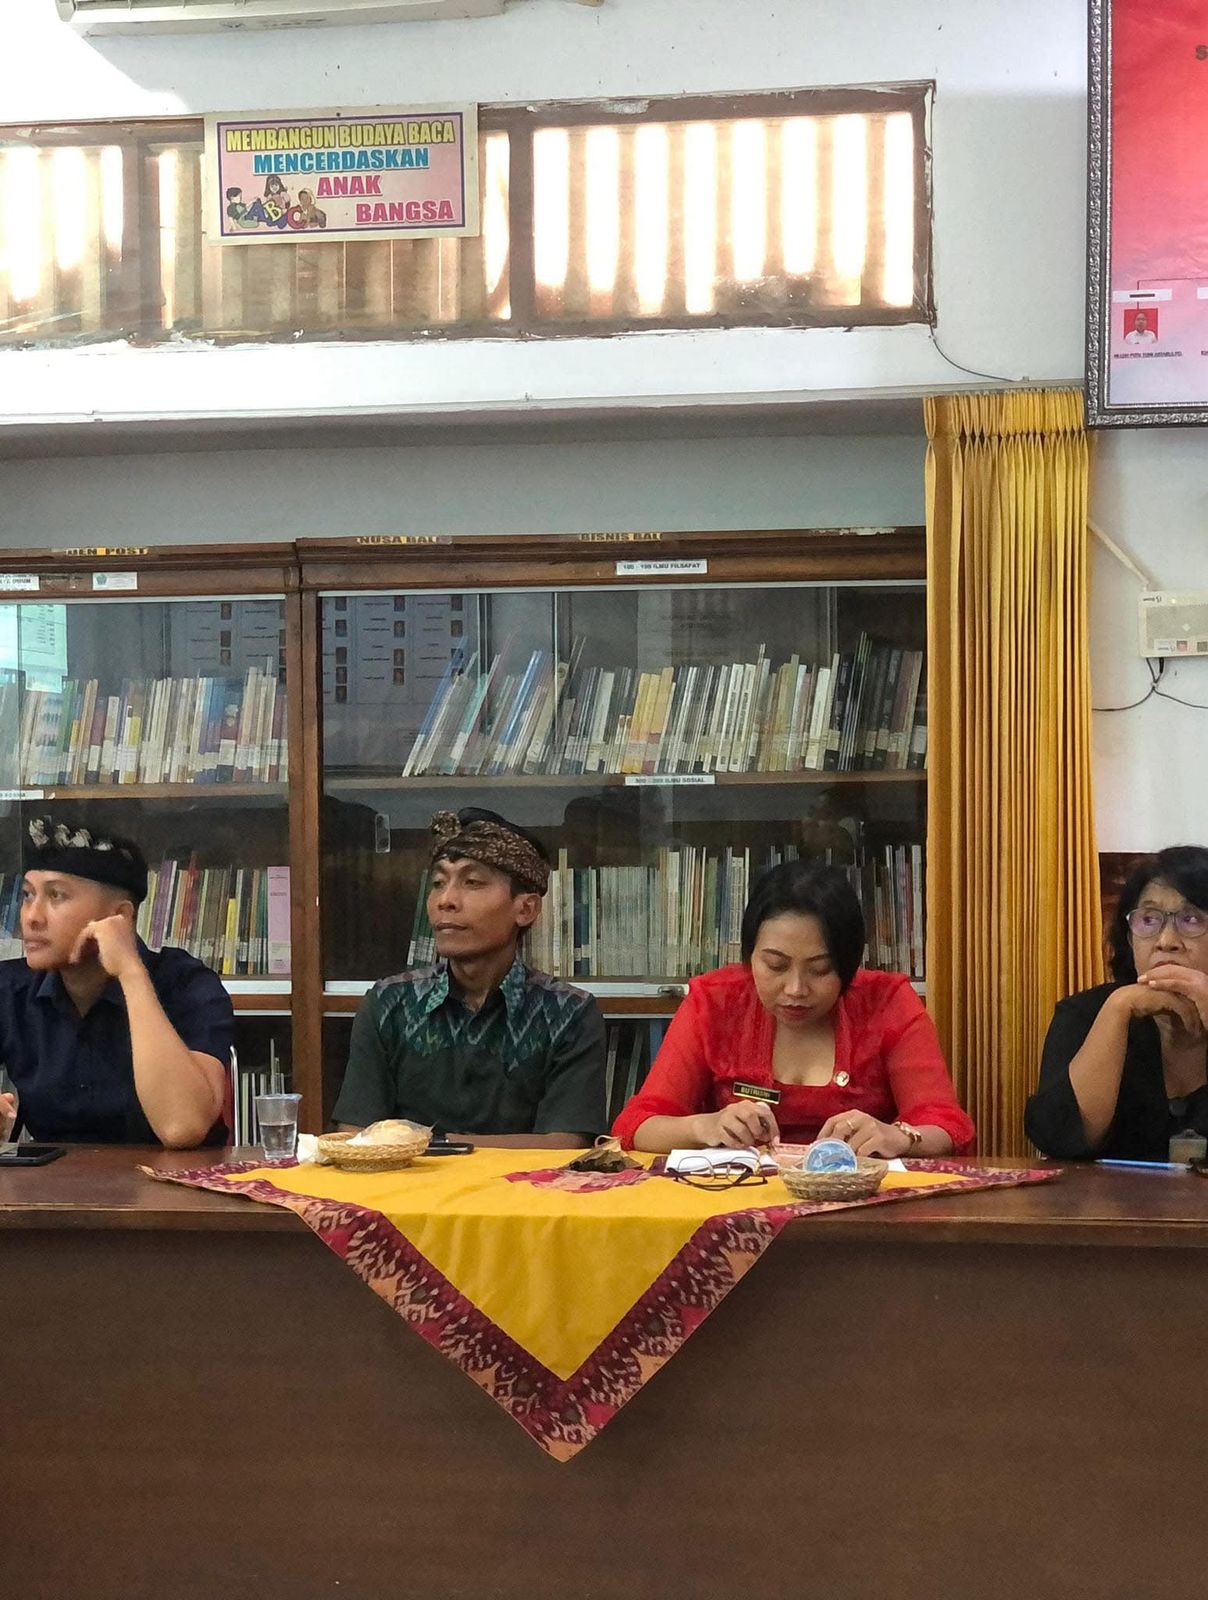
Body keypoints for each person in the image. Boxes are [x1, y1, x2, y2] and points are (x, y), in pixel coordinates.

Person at [612, 859, 974, 1156]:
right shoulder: (716, 1001)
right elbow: (636, 1126)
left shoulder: (886, 1001)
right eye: (775, 965)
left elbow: (947, 1126)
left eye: (820, 970)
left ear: (848, 965)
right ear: (749, 955)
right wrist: (704, 1126)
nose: (796, 989)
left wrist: (900, 1137)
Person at [333, 808, 606, 1147]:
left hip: (522, 1183)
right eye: (438, 883)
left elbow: (563, 1145)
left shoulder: (569, 1012)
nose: (446, 901)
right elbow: (356, 1138)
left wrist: (433, 1144)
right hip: (404, 1183)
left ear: (526, 909)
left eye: (472, 882)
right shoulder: (389, 1004)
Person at [0, 818, 232, 1147]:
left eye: (56, 896)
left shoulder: (186, 985)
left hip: (175, 1180)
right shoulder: (10, 990)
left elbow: (182, 1126)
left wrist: (130, 972)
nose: (31, 917)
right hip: (54, 1179)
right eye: (27, 895)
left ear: (120, 916)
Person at [1025, 846, 1208, 1161]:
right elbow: (1061, 1141)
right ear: (1129, 938)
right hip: (1110, 1196)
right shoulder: (1083, 1014)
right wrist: (1117, 1009)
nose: (1166, 941)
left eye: (1191, 919)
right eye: (1148, 919)